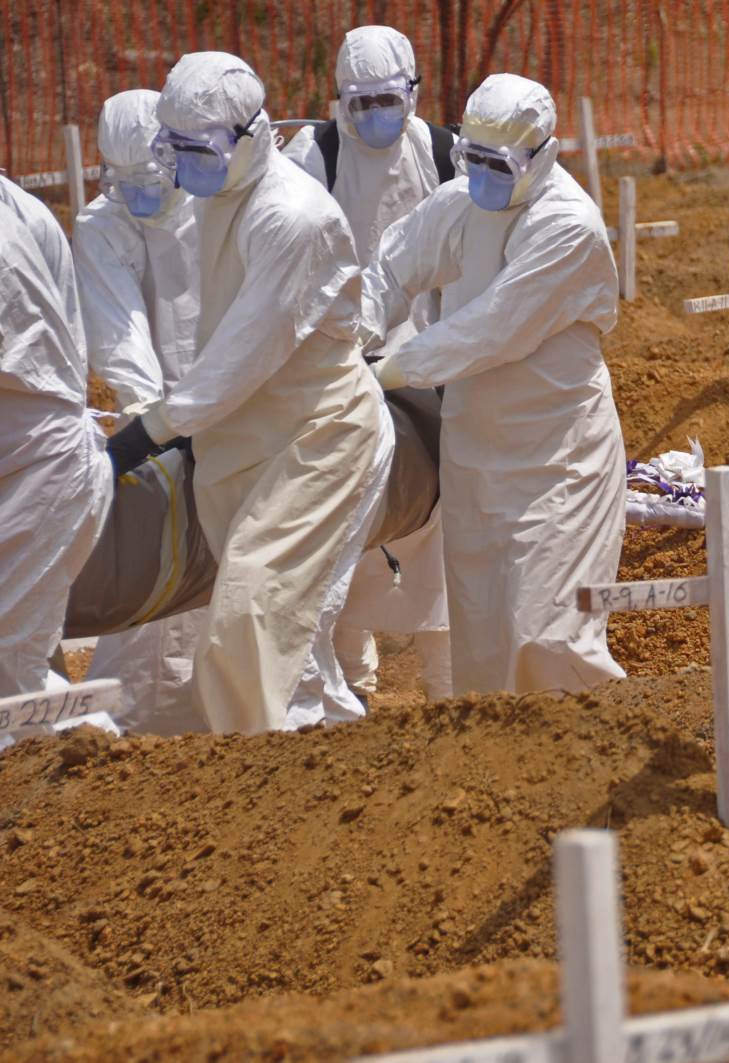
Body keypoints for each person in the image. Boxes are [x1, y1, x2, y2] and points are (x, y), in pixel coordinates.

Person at [109, 51, 393, 733]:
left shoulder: (291, 216)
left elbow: (238, 357)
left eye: (196, 148)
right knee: (292, 643)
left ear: (250, 134)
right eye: (172, 146)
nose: (182, 164)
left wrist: (139, 438)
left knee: (251, 616)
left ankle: (272, 794)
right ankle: (333, 771)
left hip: (318, 440)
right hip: (246, 443)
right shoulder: (220, 192)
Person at [363, 73, 626, 696]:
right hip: (475, 456)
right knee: (481, 650)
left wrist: (387, 372)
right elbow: (391, 268)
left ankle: (583, 776)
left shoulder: (568, 225)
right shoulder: (461, 205)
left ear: (543, 154)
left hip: (557, 460)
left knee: (549, 638)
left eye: (497, 163)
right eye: (470, 157)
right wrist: (347, 341)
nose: (481, 175)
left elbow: (494, 329)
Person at [282, 24, 453, 702]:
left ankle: (447, 687)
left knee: (442, 524)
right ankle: (358, 683)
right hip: (342, 367)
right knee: (345, 522)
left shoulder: (441, 153)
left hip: (432, 367)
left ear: (412, 92)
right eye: (359, 103)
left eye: (387, 99)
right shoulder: (313, 157)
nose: (373, 116)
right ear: (338, 102)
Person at [73, 88, 207, 734]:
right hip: (157, 427)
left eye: (150, 179)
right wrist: (159, 420)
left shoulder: (214, 204)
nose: (142, 195)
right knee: (151, 590)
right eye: (127, 184)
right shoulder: (100, 229)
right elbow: (119, 332)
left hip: (224, 411)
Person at [0, 174, 113, 697]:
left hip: (37, 469)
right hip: (39, 457)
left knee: (11, 660)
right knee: (21, 651)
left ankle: (81, 757)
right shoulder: (21, 207)